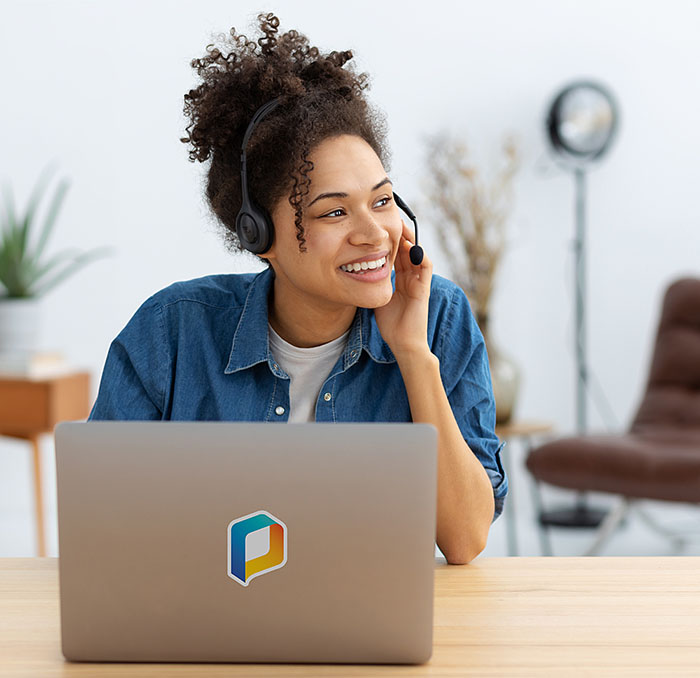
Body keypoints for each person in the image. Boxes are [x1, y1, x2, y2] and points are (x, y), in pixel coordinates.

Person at [88, 12, 508, 565]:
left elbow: (465, 539)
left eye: (382, 201)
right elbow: (102, 525)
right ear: (258, 235)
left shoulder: (438, 316)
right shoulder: (172, 332)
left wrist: (412, 353)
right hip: (208, 628)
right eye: (334, 211)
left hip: (366, 632)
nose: (374, 234)